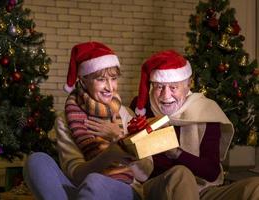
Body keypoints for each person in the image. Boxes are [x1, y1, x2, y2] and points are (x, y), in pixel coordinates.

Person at [23, 41, 153, 200]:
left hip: (124, 189)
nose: (109, 87)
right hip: (81, 189)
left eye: (113, 79)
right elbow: (76, 175)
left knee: (95, 182)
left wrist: (119, 138)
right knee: (36, 161)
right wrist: (107, 156)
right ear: (83, 80)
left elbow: (145, 173)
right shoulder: (65, 120)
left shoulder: (125, 114)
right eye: (101, 80)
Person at [130, 49, 259, 199]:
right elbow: (137, 163)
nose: (166, 96)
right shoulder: (141, 108)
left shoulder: (206, 111)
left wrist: (176, 154)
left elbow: (211, 172)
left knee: (255, 187)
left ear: (188, 84)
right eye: (159, 87)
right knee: (181, 174)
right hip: (159, 187)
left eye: (173, 87)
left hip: (202, 190)